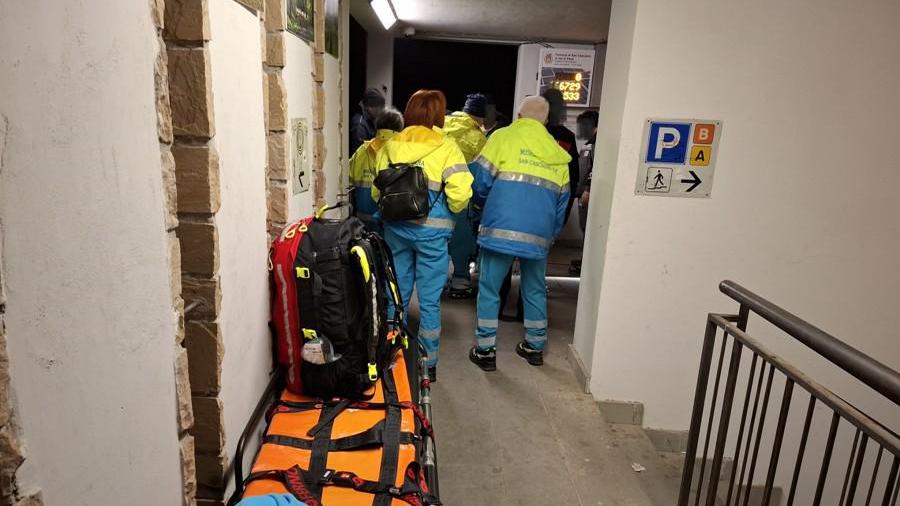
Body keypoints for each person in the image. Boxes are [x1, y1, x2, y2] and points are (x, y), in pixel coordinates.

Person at [372, 89, 473, 380]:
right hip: (433, 232)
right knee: (429, 301)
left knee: (396, 294)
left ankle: (391, 357)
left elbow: (378, 189)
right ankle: (428, 364)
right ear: (438, 115)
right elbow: (461, 191)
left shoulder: (390, 146)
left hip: (396, 230)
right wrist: (448, 209)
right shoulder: (447, 146)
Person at [467, 96, 571, 371]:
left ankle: (486, 351)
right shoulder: (557, 152)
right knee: (535, 288)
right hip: (538, 235)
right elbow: (562, 203)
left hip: (500, 229)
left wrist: (480, 207)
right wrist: (550, 235)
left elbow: (480, 183)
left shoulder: (502, 137)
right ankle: (534, 347)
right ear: (546, 121)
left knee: (490, 288)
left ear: (519, 115)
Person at [444, 93, 488, 299]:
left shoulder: (442, 125)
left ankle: (439, 279)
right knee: (461, 238)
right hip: (462, 194)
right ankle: (460, 280)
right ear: (480, 117)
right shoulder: (478, 138)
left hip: (434, 192)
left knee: (438, 240)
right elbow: (481, 174)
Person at [348, 108, 403, 232]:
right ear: (400, 129)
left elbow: (346, 180)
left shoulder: (362, 151)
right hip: (392, 225)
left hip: (364, 224)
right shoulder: (403, 151)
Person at [542, 88, 580, 224]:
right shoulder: (566, 136)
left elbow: (573, 176)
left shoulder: (567, 137)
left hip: (549, 199)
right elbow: (573, 177)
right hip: (552, 200)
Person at [570, 109, 598, 275]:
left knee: (588, 229)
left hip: (588, 197)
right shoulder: (589, 144)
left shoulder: (597, 145)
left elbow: (595, 169)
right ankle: (584, 259)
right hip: (581, 196)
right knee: (584, 228)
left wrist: (587, 190)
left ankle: (588, 263)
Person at [350, 87, 386, 155]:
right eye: (380, 108)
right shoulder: (359, 125)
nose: (381, 111)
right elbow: (359, 155)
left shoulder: (371, 119)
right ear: (371, 107)